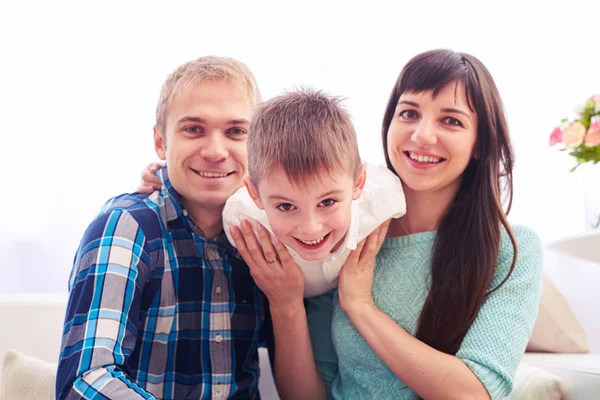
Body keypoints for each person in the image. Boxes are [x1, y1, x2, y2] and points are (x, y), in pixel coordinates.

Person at [231, 49, 543, 399]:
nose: (423, 135)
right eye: (409, 113)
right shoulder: (340, 228)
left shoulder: (512, 250)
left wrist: (361, 306)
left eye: (451, 120)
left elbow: (475, 394)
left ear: (479, 142)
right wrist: (285, 304)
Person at [56, 56, 275, 400]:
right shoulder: (126, 227)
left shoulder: (268, 233)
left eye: (235, 131)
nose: (216, 151)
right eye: (193, 129)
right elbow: (85, 380)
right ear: (161, 142)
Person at [141, 89, 406, 298]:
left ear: (359, 183)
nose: (311, 229)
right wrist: (161, 176)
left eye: (327, 202)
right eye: (287, 207)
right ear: (255, 194)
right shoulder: (241, 218)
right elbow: (218, 181)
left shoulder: (385, 197)